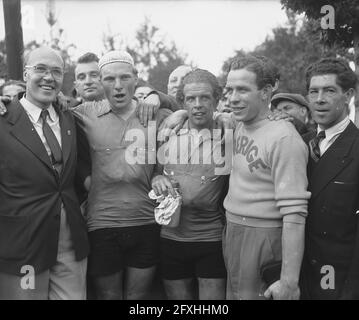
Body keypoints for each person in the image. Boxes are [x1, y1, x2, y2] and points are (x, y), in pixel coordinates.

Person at [72, 50, 172, 300]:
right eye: (109, 79)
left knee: (138, 298)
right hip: (102, 224)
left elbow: (191, 112)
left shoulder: (155, 114)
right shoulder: (84, 113)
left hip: (146, 222)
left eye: (125, 77)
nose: (118, 86)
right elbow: (43, 108)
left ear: (136, 78)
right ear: (100, 81)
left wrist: (159, 97)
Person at [0, 47, 89, 300]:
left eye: (56, 72)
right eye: (40, 69)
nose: (49, 77)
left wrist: (154, 96)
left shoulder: (69, 118)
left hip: (70, 242)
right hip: (23, 245)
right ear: (25, 75)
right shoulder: (3, 119)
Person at [222, 55, 310, 300]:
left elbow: (294, 215)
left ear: (266, 91)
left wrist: (289, 282)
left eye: (242, 90)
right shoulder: (240, 122)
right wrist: (178, 115)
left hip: (264, 237)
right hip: (233, 231)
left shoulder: (284, 138)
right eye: (230, 90)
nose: (233, 98)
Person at [152, 69, 228, 300]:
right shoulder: (168, 131)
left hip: (211, 239)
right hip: (171, 237)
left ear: (216, 100)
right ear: (182, 101)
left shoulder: (229, 132)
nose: (198, 104)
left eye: (205, 97)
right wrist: (158, 178)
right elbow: (155, 173)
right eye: (191, 99)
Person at [300, 58, 359, 300]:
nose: (319, 99)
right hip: (300, 277)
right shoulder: (300, 143)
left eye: (329, 91)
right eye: (314, 91)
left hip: (339, 281)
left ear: (348, 95)